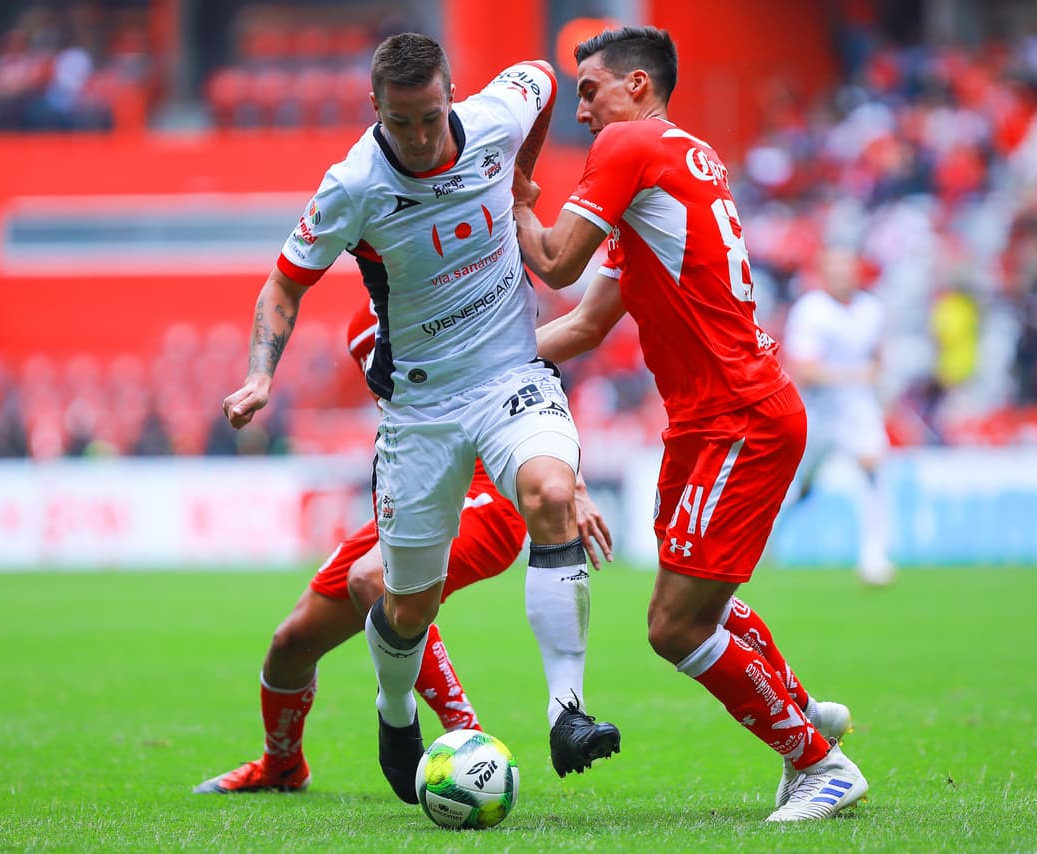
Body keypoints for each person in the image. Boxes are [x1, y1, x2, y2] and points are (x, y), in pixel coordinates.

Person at [220, 33, 620, 804]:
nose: (420, 137)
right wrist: (260, 374)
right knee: (400, 607)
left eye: (431, 118)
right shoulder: (353, 186)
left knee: (548, 490)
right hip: (424, 413)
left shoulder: (496, 118)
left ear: (451, 97)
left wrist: (521, 179)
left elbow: (543, 76)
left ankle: (566, 711)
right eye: (400, 123)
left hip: (511, 375)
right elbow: (283, 284)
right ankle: (396, 708)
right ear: (375, 109)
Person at [510, 26, 869, 821]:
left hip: (738, 415)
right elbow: (584, 325)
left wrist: (517, 195)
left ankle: (820, 763)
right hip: (713, 418)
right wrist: (484, 370)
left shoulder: (630, 145)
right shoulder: (673, 166)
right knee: (698, 596)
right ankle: (801, 714)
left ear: (638, 85)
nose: (581, 111)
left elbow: (556, 260)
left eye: (591, 91)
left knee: (674, 626)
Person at [195, 302, 614, 794]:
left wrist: (573, 484)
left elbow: (523, 380)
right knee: (292, 644)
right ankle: (281, 766)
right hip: (422, 488)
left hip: (489, 492)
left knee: (371, 579)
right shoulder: (362, 328)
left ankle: (468, 738)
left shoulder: (464, 283)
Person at [782, 246, 895, 586]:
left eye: (846, 269)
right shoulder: (810, 311)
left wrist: (871, 379)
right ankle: (766, 540)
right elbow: (805, 370)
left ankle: (874, 558)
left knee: (873, 469)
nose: (841, 276)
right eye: (834, 269)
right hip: (818, 411)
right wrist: (855, 376)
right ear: (824, 274)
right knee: (795, 485)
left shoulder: (871, 310)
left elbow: (877, 357)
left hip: (858, 408)